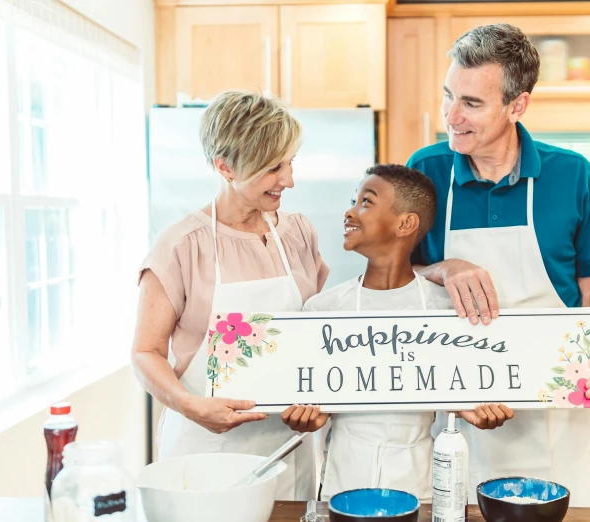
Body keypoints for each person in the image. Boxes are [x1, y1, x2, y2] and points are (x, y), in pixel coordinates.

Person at [406, 24, 590, 507]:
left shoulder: (572, 174)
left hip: (556, 414)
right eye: (449, 95)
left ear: (518, 105)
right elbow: (393, 282)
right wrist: (443, 268)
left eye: (471, 103)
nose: (451, 116)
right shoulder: (425, 172)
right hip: (459, 407)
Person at [131, 90, 329, 501]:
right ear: (225, 166)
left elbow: (313, 338)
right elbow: (145, 353)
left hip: (288, 444)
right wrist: (189, 405)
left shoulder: (297, 233)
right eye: (273, 167)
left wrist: (317, 402)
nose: (289, 179)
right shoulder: (182, 245)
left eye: (290, 162)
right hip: (209, 449)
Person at [286, 164, 514, 502]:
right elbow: (314, 400)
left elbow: (463, 385)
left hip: (421, 479)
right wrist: (307, 417)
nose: (350, 211)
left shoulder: (450, 311)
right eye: (354, 200)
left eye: (367, 201)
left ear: (405, 224)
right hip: (342, 475)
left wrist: (478, 409)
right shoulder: (323, 309)